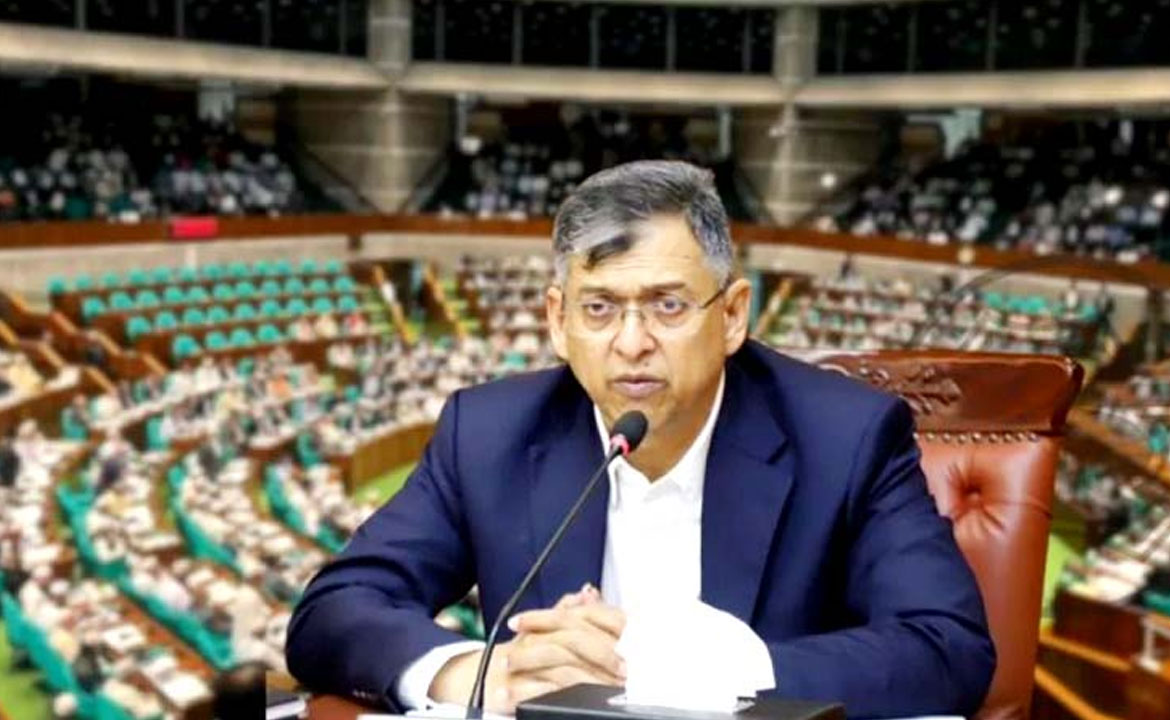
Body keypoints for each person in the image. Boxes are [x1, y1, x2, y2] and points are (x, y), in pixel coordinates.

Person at [286, 161, 993, 718]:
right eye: (599, 308)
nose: (631, 344)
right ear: (559, 321)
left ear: (732, 315)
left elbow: (946, 646)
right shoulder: (490, 434)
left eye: (667, 305)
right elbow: (335, 609)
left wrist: (718, 672)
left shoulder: (846, 436)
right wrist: (483, 673)